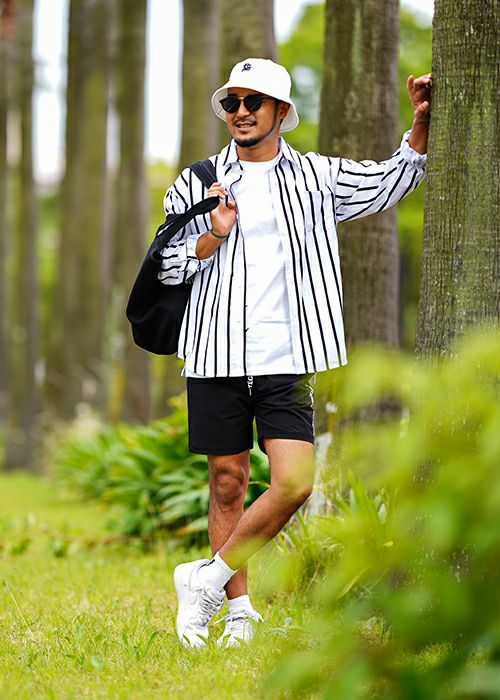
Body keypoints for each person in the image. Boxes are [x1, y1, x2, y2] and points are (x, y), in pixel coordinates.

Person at [159, 58, 431, 648]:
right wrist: (214, 233)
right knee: (227, 482)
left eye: (253, 102)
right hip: (214, 352)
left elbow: (389, 182)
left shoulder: (317, 177)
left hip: (288, 355)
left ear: (282, 111)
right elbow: (168, 265)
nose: (240, 112)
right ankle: (237, 615)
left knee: (295, 483)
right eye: (231, 102)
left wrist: (419, 126)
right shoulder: (196, 182)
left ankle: (205, 579)